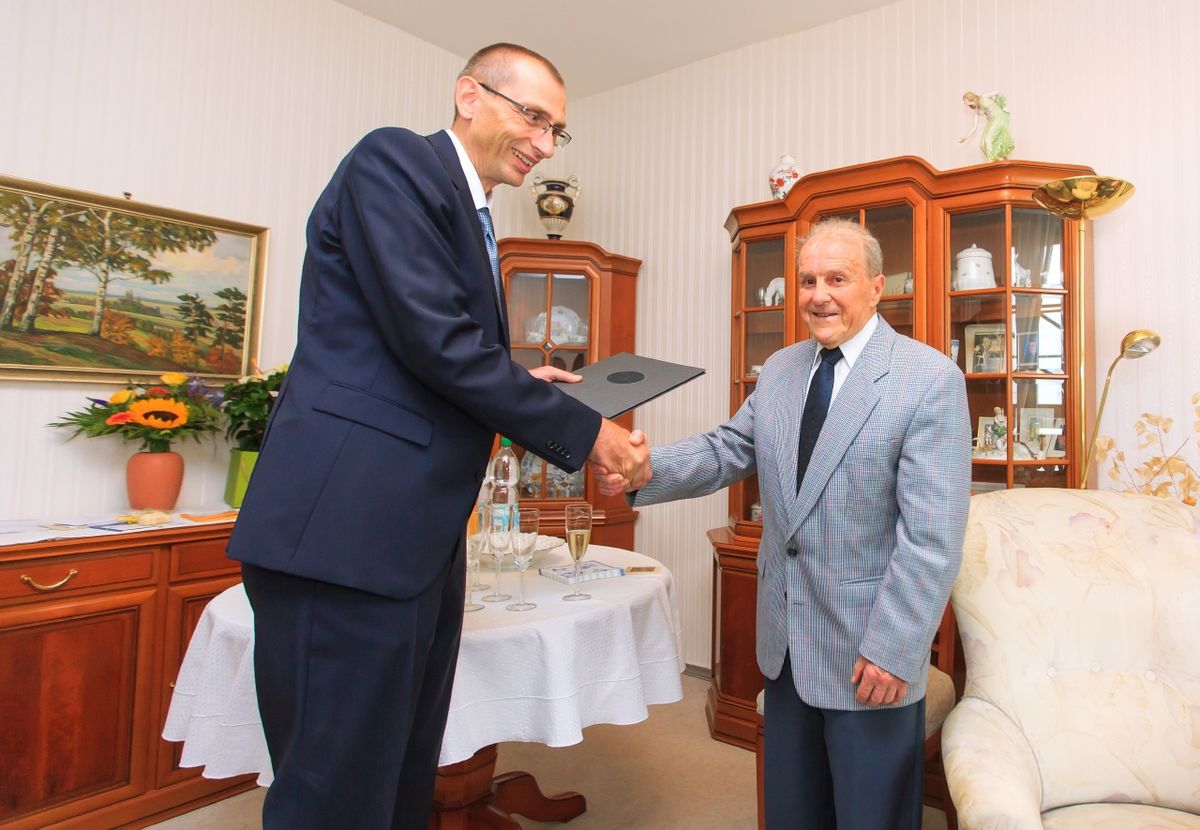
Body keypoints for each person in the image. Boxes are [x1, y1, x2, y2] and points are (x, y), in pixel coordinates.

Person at [227, 43, 649, 830]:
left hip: (410, 540)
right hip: (344, 535)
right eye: (533, 117)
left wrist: (529, 387)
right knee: (335, 793)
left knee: (397, 778)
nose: (545, 143)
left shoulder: (472, 214)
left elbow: (440, 352)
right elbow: (435, 341)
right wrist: (586, 432)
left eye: (558, 130)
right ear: (468, 95)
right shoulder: (395, 162)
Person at [598, 219, 971, 828]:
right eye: (806, 280)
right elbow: (725, 450)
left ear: (877, 288)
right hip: (786, 642)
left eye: (837, 279)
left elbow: (931, 536)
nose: (818, 294)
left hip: (868, 653)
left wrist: (895, 648)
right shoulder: (780, 368)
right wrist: (644, 469)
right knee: (793, 813)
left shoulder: (926, 379)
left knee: (869, 817)